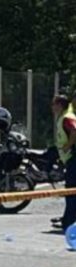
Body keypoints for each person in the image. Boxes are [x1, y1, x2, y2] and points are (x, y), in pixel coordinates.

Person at [52, 95, 76, 231]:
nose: (52, 107)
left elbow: (74, 131)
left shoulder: (67, 117)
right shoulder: (64, 117)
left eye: (54, 104)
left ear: (60, 105)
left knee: (71, 192)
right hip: (70, 159)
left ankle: (68, 223)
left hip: (73, 159)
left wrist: (68, 146)